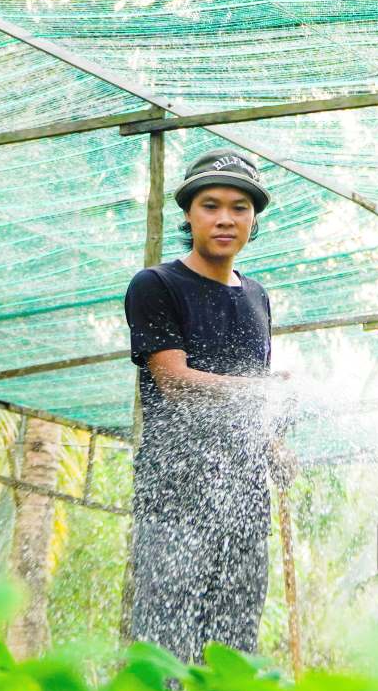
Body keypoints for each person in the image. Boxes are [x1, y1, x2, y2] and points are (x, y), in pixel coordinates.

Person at [124, 148, 298, 665]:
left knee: (232, 642)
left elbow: (251, 400)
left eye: (240, 207)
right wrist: (263, 389)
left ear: (254, 218)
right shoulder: (156, 285)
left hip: (245, 492)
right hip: (175, 488)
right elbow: (174, 381)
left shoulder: (257, 296)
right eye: (211, 205)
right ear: (188, 213)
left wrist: (273, 446)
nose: (226, 218)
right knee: (166, 635)